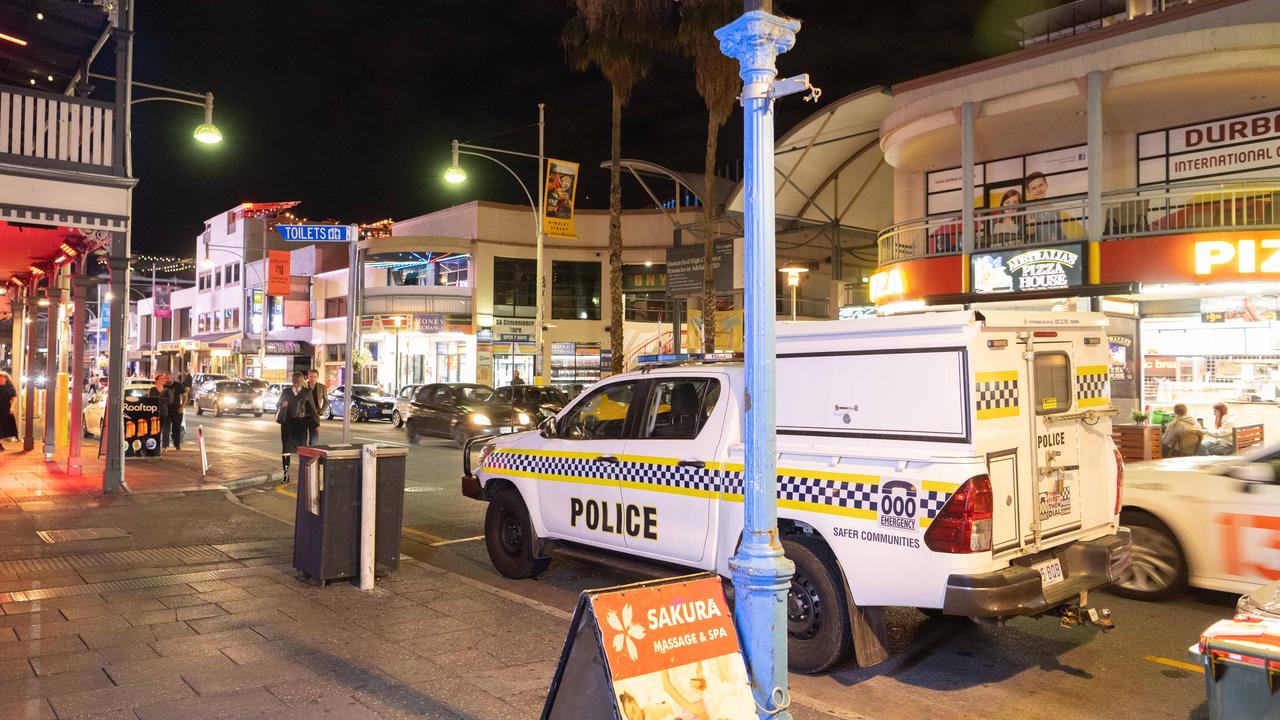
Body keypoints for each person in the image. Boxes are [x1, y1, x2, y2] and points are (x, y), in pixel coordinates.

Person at [277, 371, 318, 483]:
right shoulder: (286, 392)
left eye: (298, 382)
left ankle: (304, 474)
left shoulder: (307, 392)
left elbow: (312, 409)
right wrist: (282, 404)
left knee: (302, 450)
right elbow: (278, 404)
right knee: (286, 449)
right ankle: (286, 475)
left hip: (301, 424)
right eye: (294, 382)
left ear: (301, 381)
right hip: (288, 424)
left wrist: (316, 424)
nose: (296, 384)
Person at [1024, 172, 1065, 243]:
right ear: (1028, 192)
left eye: (1040, 185)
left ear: (1046, 185)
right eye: (1034, 188)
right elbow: (1024, 236)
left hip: (1054, 250)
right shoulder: (1027, 210)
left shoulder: (1055, 210)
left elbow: (1060, 234)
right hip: (1035, 251)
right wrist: (1029, 232)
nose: (1038, 190)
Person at [147, 374, 173, 451]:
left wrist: (158, 400)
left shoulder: (167, 390)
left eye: (163, 379)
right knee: (154, 430)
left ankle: (160, 446)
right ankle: (153, 446)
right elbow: (149, 400)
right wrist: (162, 399)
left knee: (160, 429)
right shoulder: (152, 389)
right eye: (161, 379)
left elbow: (170, 400)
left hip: (163, 412)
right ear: (157, 380)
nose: (163, 380)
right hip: (153, 412)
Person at [305, 369, 326, 446]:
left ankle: (312, 453)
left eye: (314, 377)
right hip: (304, 415)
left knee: (313, 440)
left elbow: (326, 401)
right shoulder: (303, 386)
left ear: (317, 377)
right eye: (310, 376)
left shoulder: (322, 387)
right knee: (303, 438)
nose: (312, 378)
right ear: (308, 376)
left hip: (315, 416)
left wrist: (322, 411)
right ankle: (304, 455)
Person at [165, 373, 186, 450]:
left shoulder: (178, 385)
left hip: (176, 410)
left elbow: (185, 395)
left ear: (172, 378)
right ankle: (165, 445)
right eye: (166, 378)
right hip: (166, 410)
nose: (167, 380)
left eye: (169, 378)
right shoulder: (163, 386)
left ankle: (177, 444)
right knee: (166, 428)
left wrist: (182, 406)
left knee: (176, 427)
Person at [0, 372, 18, 451]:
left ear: (6, 378)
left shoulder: (9, 387)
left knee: (4, 427)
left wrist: (12, 408)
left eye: (1, 377)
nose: (0, 378)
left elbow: (14, 398)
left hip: (5, 409)